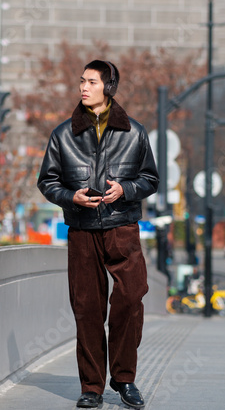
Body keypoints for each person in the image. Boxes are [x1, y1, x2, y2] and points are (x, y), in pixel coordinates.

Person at [37, 60, 159, 409]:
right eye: (81, 81)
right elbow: (47, 181)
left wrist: (126, 189)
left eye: (91, 81)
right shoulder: (63, 134)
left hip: (122, 228)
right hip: (81, 230)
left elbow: (150, 179)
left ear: (109, 86)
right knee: (87, 309)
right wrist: (69, 197)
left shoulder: (134, 132)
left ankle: (124, 379)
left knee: (131, 298)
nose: (83, 87)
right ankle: (92, 387)